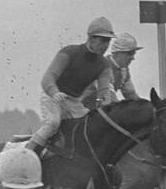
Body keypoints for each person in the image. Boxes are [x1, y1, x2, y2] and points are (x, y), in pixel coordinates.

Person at [24, 17, 116, 154]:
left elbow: (104, 92)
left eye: (108, 41)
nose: (106, 45)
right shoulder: (69, 52)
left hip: (74, 102)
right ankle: (24, 154)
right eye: (103, 40)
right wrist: (55, 93)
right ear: (91, 38)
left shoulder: (104, 65)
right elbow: (48, 79)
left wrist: (106, 104)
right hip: (52, 98)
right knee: (53, 123)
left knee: (90, 125)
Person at [99, 32, 143, 106]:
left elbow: (131, 95)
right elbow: (110, 102)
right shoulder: (103, 67)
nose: (132, 58)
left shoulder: (124, 70)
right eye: (130, 53)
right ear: (117, 53)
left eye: (133, 54)